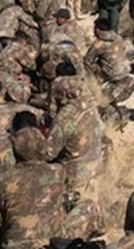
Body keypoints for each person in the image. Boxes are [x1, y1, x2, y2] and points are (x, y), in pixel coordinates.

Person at [0, 115, 103, 249]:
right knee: (89, 207)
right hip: (49, 247)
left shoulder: (4, 180)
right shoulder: (56, 172)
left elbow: (1, 215)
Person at [45, 67, 105, 198]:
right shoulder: (89, 106)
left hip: (75, 176)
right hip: (96, 166)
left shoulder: (65, 117)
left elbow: (48, 153)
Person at [84, 18, 134, 129]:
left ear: (98, 30)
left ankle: (115, 117)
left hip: (112, 81)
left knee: (99, 104)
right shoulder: (119, 38)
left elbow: (87, 62)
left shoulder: (98, 44)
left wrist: (95, 74)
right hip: (126, 78)